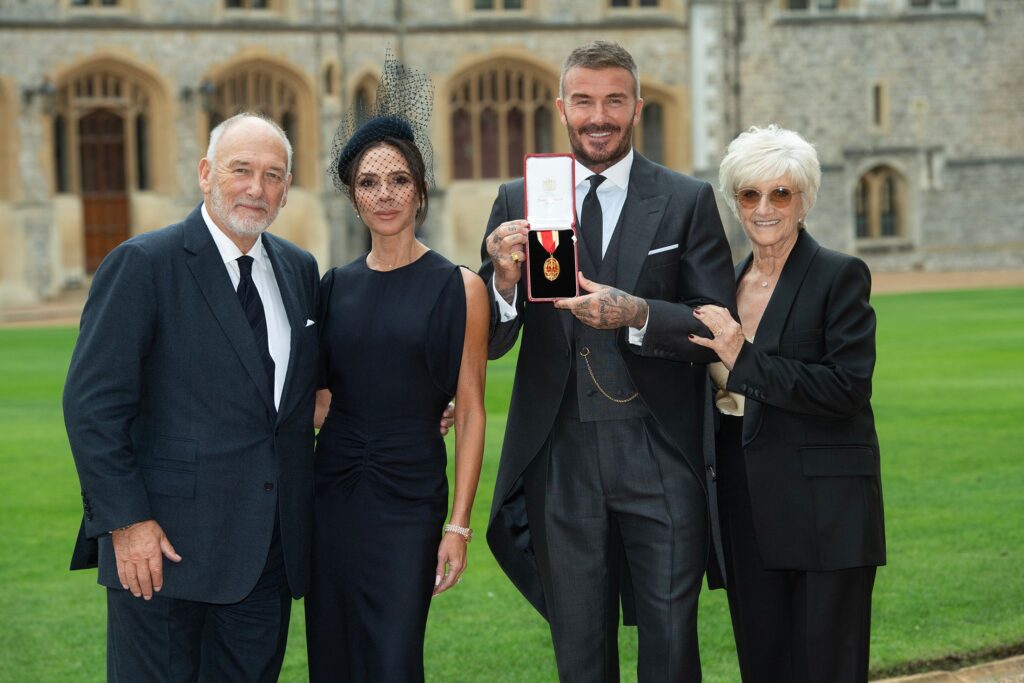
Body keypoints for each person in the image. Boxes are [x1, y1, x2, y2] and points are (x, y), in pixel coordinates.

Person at [481, 40, 736, 681]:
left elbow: (715, 323)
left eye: (614, 101)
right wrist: (503, 284)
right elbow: (491, 339)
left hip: (661, 451)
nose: (600, 116)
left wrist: (639, 314)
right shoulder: (522, 197)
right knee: (579, 645)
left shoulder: (686, 199)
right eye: (586, 101)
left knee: (672, 641)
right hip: (560, 455)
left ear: (637, 107)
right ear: (562, 106)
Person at [64, 113, 321, 681]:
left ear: (286, 189)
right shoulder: (143, 263)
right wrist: (126, 523)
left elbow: (304, 396)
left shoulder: (299, 270)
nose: (257, 188)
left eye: (274, 175)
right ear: (206, 174)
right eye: (241, 170)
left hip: (267, 557)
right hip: (163, 554)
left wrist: (421, 412)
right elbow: (92, 406)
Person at [304, 54, 488, 683]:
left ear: (421, 189)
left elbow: (469, 409)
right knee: (333, 651)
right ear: (353, 197)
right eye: (369, 182)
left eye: (398, 180)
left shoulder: (460, 287)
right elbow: (318, 401)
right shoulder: (331, 288)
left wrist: (457, 525)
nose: (385, 194)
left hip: (411, 496)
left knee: (392, 658)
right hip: (334, 491)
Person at [689, 124, 886, 682]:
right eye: (750, 194)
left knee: (828, 668)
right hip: (743, 504)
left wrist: (740, 354)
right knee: (764, 665)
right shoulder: (723, 285)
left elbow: (847, 387)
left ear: (803, 200)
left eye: (781, 193)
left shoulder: (838, 275)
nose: (765, 207)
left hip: (827, 511)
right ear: (735, 202)